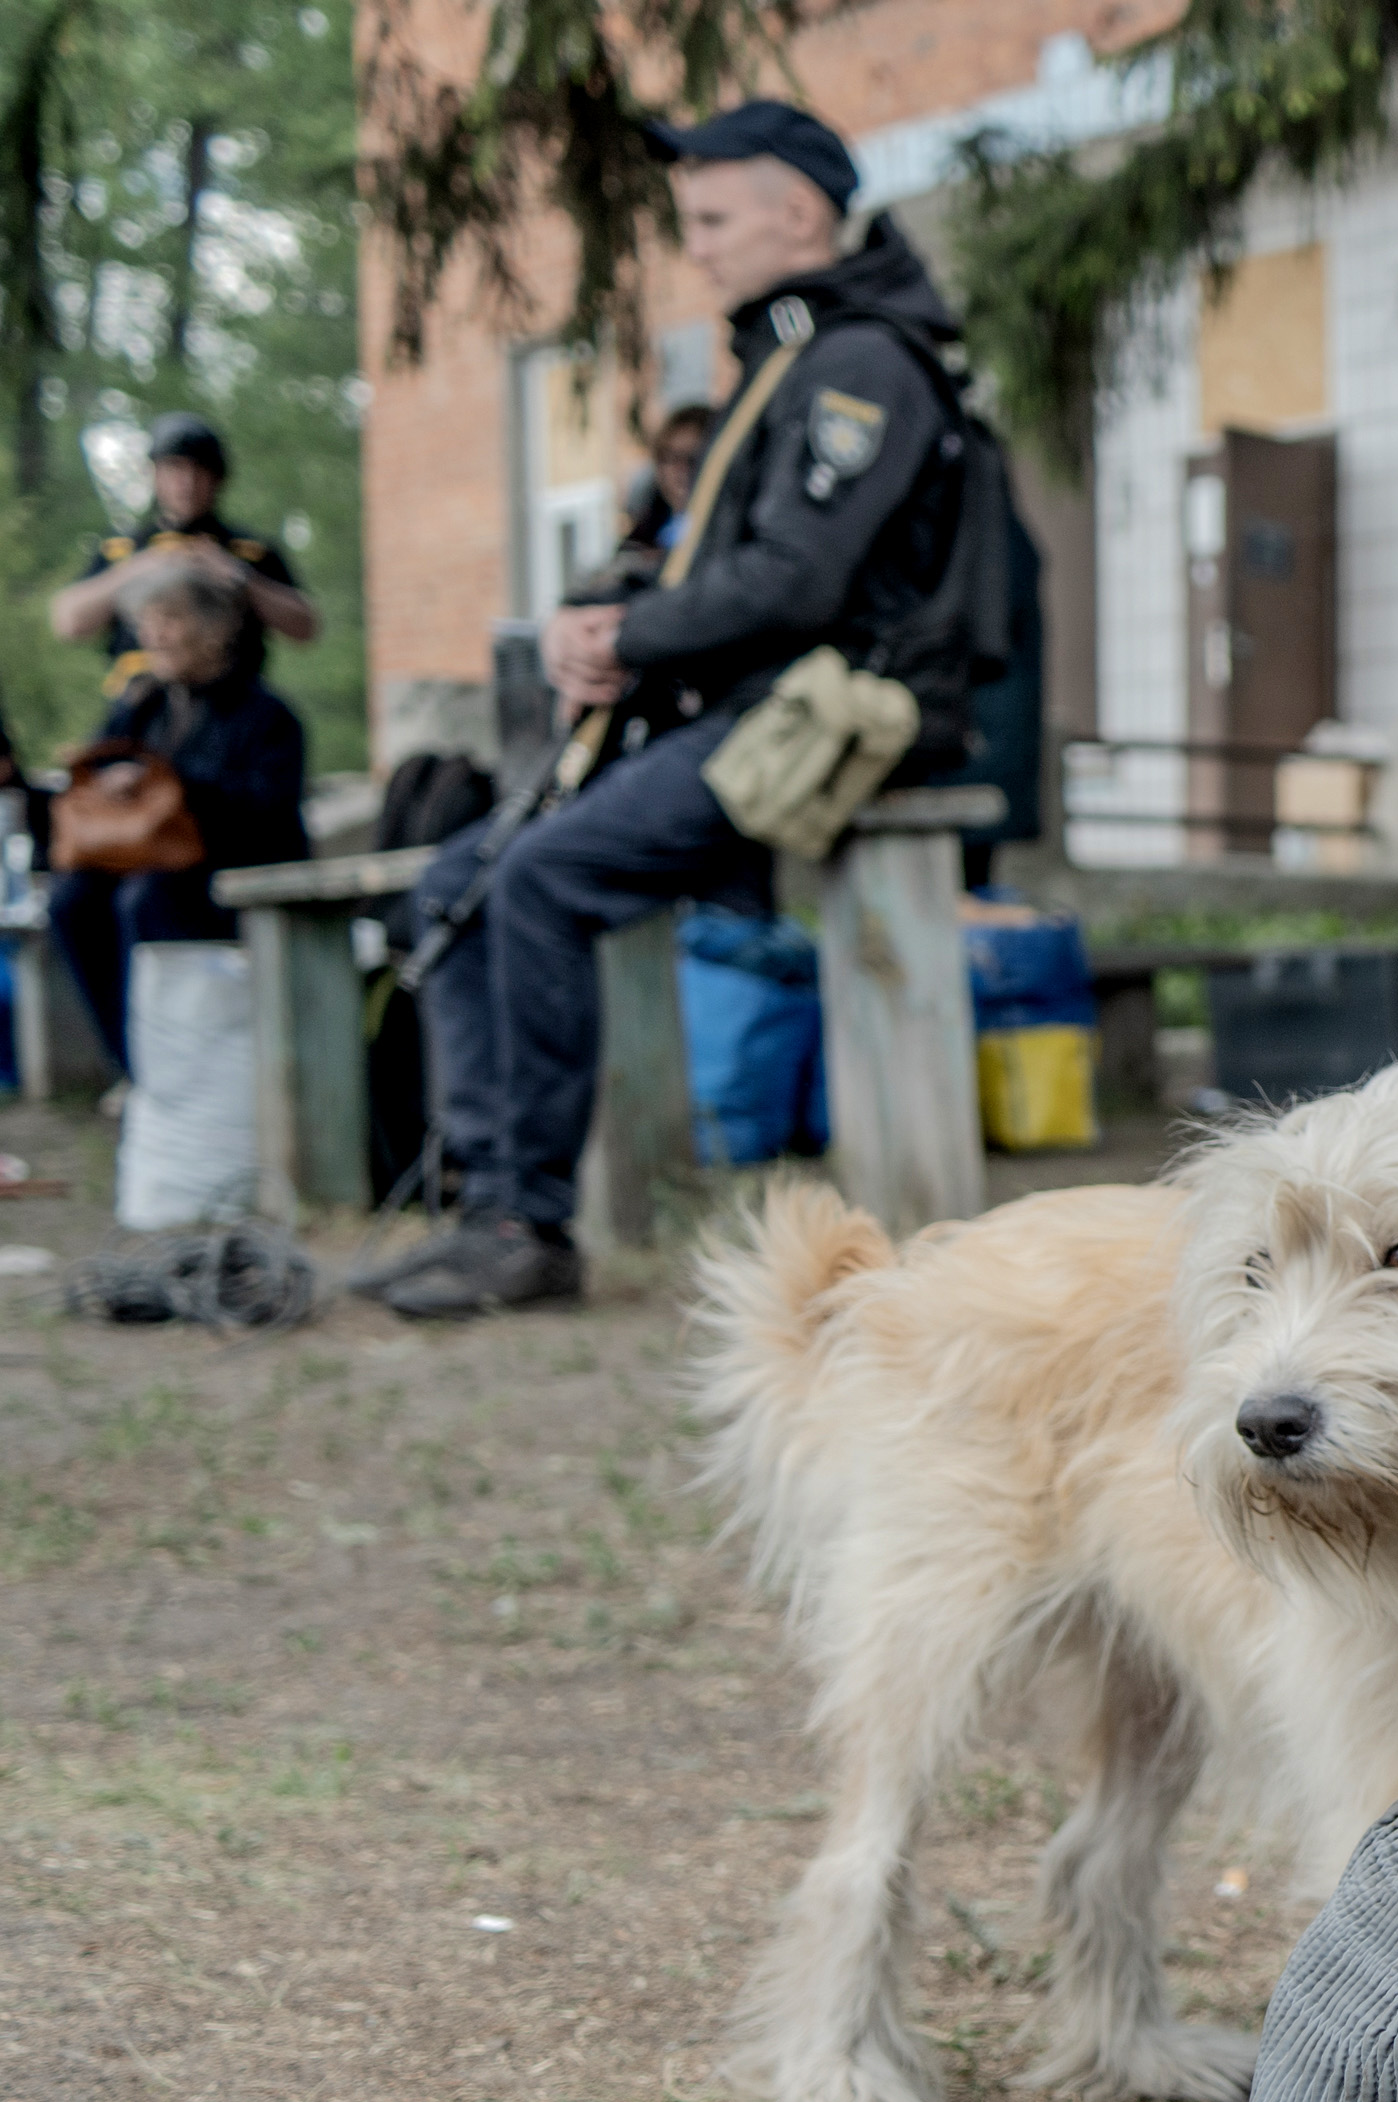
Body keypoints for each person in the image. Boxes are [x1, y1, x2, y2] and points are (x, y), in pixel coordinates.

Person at [367, 100, 986, 1319]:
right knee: (455, 883)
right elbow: (722, 566)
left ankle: (529, 1226)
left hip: (821, 718)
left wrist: (632, 635)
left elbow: (798, 581)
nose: (691, 244)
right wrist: (602, 620)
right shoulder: (793, 354)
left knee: (540, 879)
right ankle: (481, 1190)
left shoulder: (862, 362)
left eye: (710, 217)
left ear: (797, 211)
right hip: (747, 705)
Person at [45, 564, 308, 1076]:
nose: (153, 636)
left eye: (168, 620)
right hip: (152, 864)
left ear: (214, 628)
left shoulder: (266, 715)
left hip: (233, 868)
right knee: (71, 900)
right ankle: (131, 1061)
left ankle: (176, 1061)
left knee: (144, 900)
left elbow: (267, 810)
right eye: (147, 622)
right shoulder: (144, 704)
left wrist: (174, 784)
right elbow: (101, 759)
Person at [49, 412, 322, 691]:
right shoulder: (123, 549)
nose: (187, 482)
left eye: (199, 470)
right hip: (138, 704)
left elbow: (307, 628)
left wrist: (240, 579)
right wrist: (136, 570)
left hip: (228, 705)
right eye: (175, 468)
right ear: (154, 474)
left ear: (219, 478)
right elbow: (68, 624)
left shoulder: (248, 551)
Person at [603, 401, 717, 592]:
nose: (679, 470)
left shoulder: (730, 537)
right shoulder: (646, 531)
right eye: (668, 458)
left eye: (692, 458)